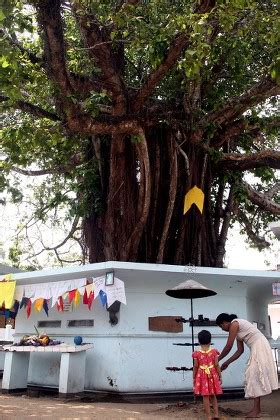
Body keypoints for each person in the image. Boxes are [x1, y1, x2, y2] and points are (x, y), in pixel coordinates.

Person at [216, 313, 278, 418]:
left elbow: (228, 346)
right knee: (253, 376)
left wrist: (217, 359)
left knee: (253, 375)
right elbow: (239, 351)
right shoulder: (237, 331)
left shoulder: (234, 324)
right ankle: (256, 409)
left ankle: (257, 410)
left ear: (225, 322)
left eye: (221, 326)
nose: (222, 329)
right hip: (257, 347)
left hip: (259, 345)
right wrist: (227, 363)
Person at [192, 330, 222, 419]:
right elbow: (216, 365)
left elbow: (195, 366)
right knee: (213, 395)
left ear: (198, 341)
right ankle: (216, 415)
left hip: (201, 376)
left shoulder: (196, 353)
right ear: (210, 341)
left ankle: (209, 416)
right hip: (212, 375)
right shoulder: (214, 352)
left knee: (205, 396)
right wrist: (220, 375)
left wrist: (194, 377)